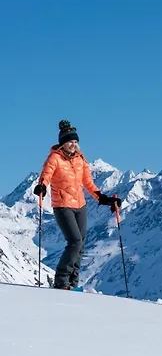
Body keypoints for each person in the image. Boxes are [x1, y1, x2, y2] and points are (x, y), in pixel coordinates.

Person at [33, 120, 121, 290]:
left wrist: (104, 199)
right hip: (62, 205)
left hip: (80, 206)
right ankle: (61, 280)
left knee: (80, 246)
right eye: (70, 142)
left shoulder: (80, 160)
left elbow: (89, 184)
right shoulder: (55, 158)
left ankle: (73, 284)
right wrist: (42, 186)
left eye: (75, 142)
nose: (73, 145)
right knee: (75, 241)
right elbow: (46, 175)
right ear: (63, 143)